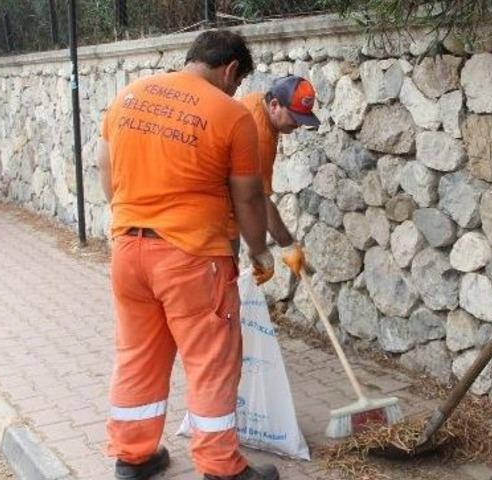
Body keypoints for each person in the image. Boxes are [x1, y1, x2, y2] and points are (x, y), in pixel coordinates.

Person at [97, 30, 280, 480]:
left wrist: (129, 216)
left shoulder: (129, 96)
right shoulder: (231, 115)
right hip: (192, 257)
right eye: (236, 82)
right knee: (212, 362)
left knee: (138, 354)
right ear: (231, 70)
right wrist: (259, 252)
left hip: (129, 252)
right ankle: (221, 468)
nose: (235, 91)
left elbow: (105, 167)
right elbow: (249, 198)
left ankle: (133, 457)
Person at [231, 75, 322, 275]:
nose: (298, 125)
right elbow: (258, 201)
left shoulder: (255, 100)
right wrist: (287, 246)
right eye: (295, 118)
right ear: (274, 105)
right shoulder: (259, 137)